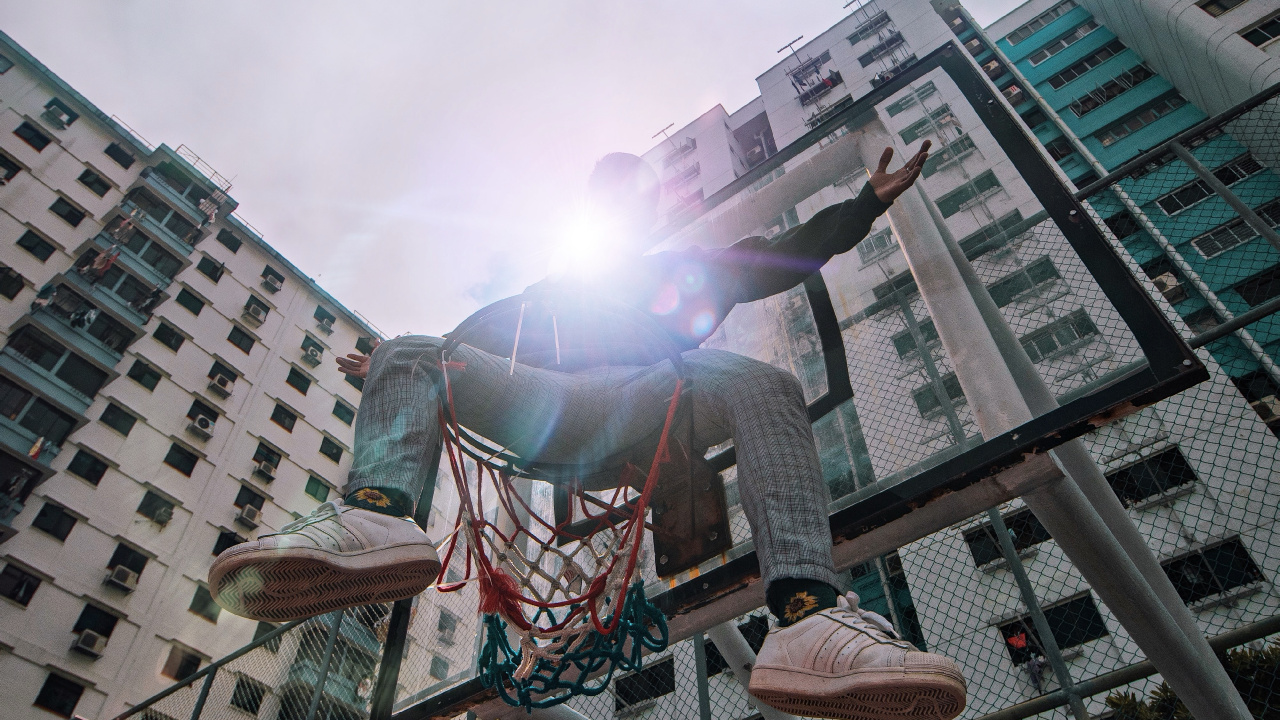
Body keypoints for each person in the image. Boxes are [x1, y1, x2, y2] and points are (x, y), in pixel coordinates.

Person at [210, 142, 969, 720]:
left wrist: (861, 206)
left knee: (764, 382)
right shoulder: (547, 294)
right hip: (549, 409)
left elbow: (769, 260)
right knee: (412, 352)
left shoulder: (679, 269)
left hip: (648, 401)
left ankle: (806, 617)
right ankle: (379, 515)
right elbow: (455, 349)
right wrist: (390, 367)